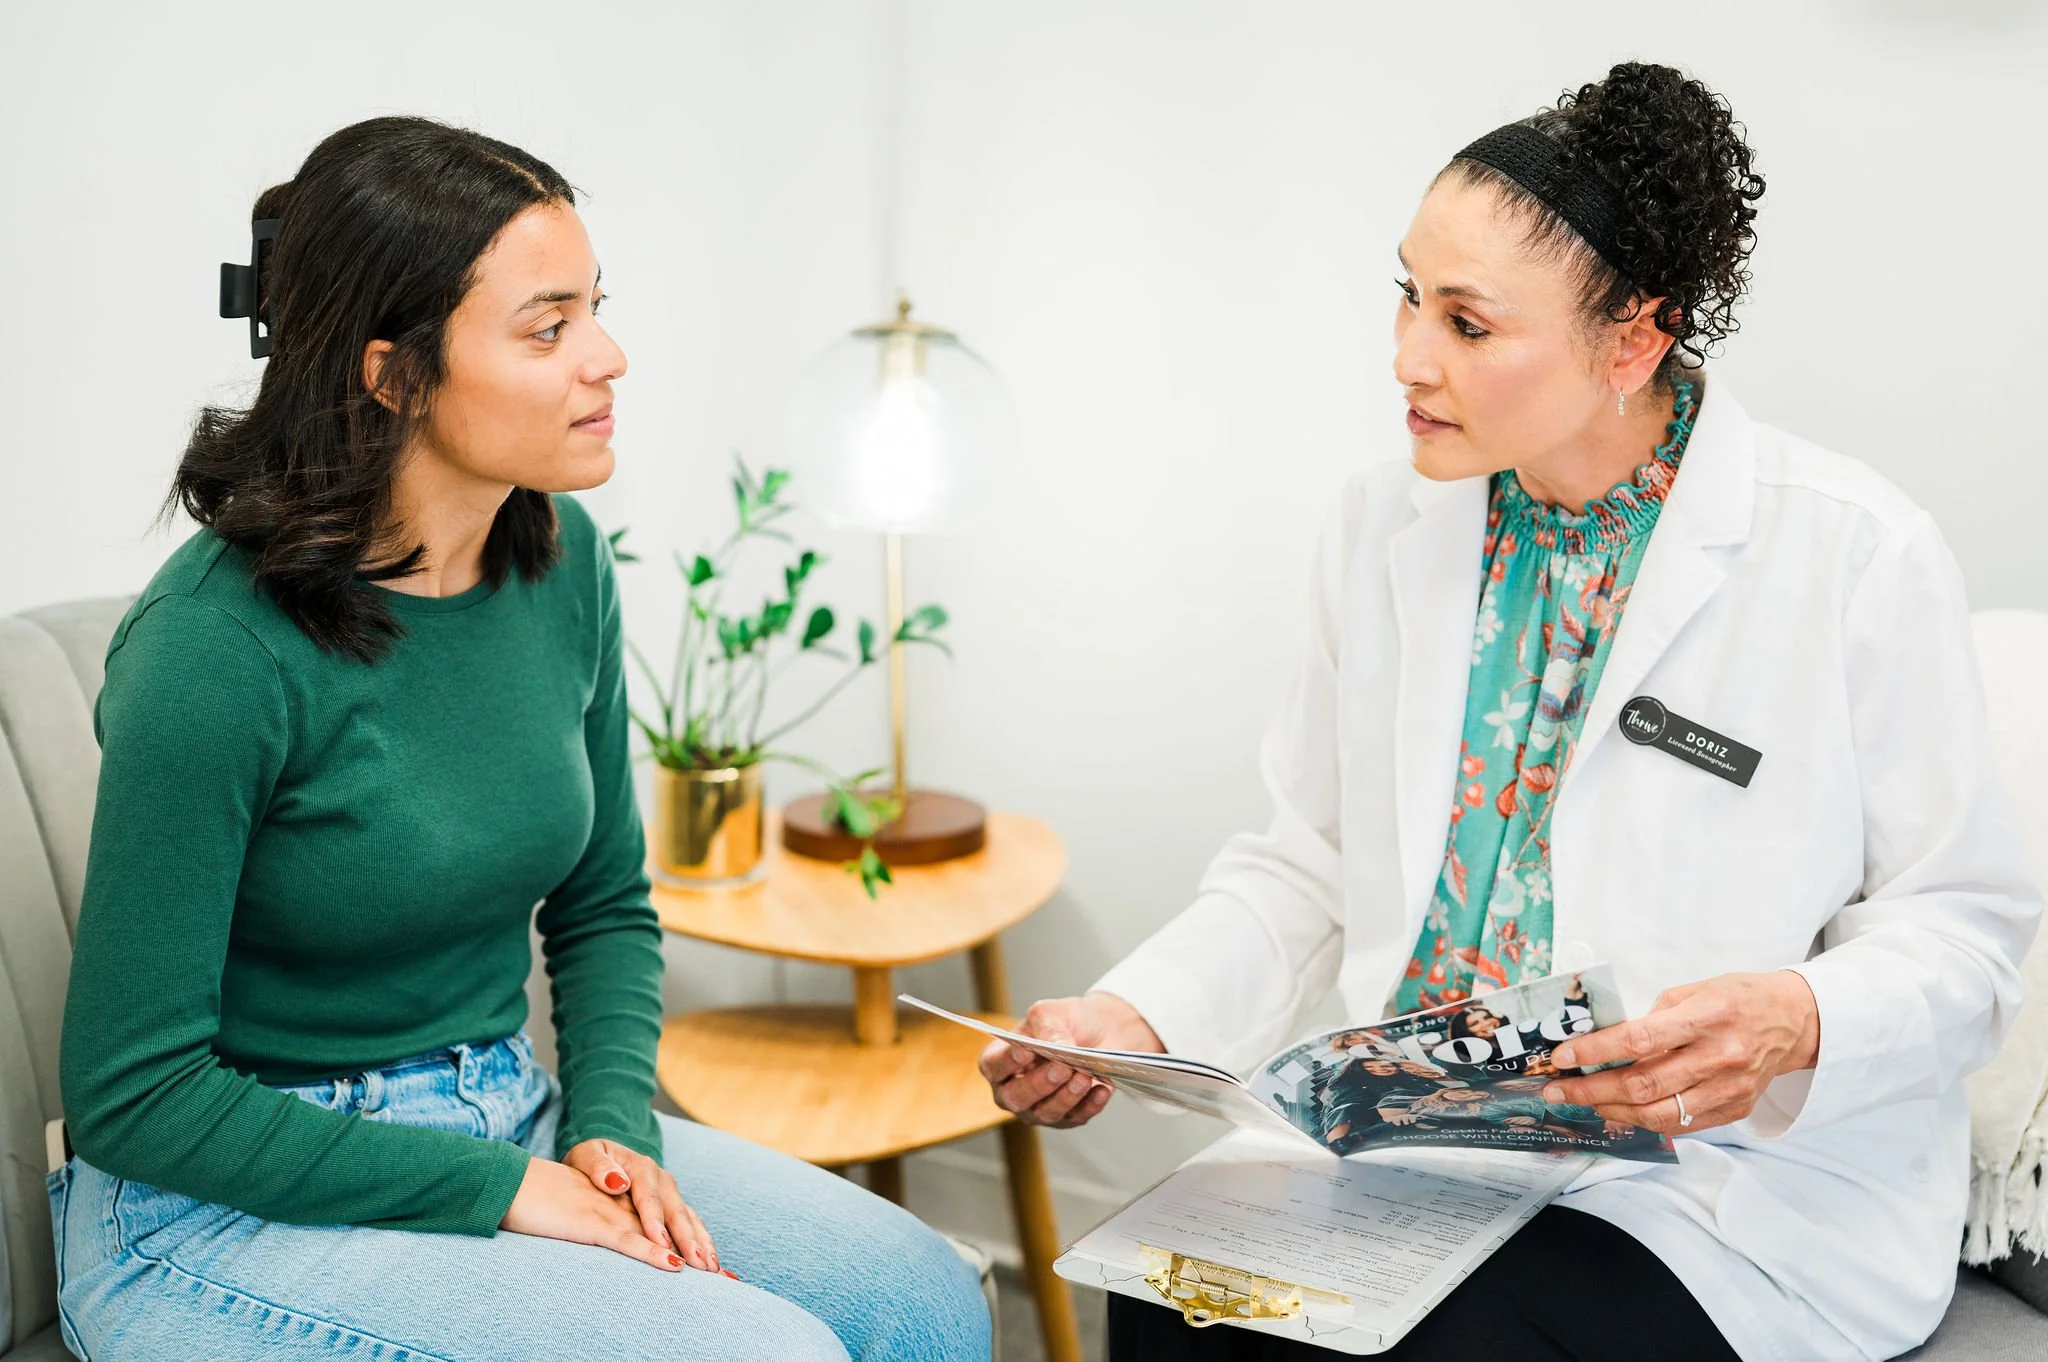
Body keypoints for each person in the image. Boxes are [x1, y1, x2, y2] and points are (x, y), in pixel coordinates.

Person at [978, 62, 2040, 1362]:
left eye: (1468, 324)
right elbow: (1304, 864)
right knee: (1176, 1302)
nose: (1409, 356)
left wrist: (1796, 1017)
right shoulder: (1384, 525)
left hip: (1705, 1189)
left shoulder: (1852, 555)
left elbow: (1964, 932)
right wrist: (1132, 1018)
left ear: (1633, 338)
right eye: (1409, 298)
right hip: (1403, 1125)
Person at [49, 116, 989, 1362]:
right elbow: (135, 1098)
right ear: (392, 374)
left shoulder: (557, 559)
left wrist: (609, 1128)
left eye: (593, 308)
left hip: (506, 1108)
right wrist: (504, 1194)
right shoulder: (214, 650)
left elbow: (603, 902)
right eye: (547, 329)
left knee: (923, 1300)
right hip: (219, 1207)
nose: (608, 356)